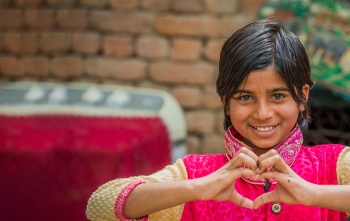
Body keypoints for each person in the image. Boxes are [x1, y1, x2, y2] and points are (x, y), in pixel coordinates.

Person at [86, 19, 350, 221]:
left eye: (278, 96)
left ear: (302, 96)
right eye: (245, 97)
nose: (262, 113)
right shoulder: (196, 175)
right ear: (225, 102)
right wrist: (196, 188)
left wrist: (314, 194)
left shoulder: (333, 166)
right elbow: (99, 207)